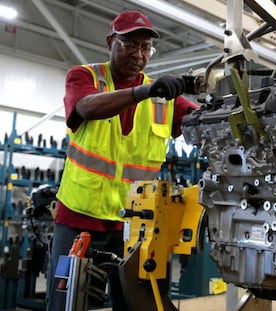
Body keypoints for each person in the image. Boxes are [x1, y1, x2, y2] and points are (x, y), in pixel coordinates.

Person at [46, 10, 199, 311]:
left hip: (132, 226)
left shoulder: (163, 98)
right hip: (79, 220)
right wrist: (143, 91)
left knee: (134, 305)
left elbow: (201, 120)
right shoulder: (85, 76)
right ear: (110, 42)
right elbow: (87, 108)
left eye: (145, 48)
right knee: (67, 304)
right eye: (130, 44)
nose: (138, 54)